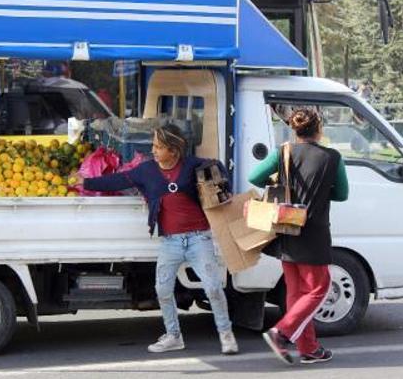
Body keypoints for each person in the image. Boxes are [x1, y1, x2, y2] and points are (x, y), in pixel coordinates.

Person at [83, 124, 239, 355]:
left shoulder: (194, 165)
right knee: (163, 290)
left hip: (199, 239)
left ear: (174, 150)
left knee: (213, 288)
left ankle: (226, 335)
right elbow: (118, 181)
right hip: (170, 242)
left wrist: (222, 185)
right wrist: (85, 183)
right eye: (154, 145)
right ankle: (174, 336)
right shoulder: (146, 171)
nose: (153, 150)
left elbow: (219, 169)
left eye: (159, 147)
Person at [247, 108, 349, 365]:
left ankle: (309, 349)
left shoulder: (283, 152)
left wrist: (282, 180)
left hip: (286, 227)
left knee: (296, 291)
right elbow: (342, 195)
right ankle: (281, 333)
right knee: (318, 288)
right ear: (319, 129)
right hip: (313, 231)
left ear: (295, 129)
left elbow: (254, 177)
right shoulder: (333, 157)